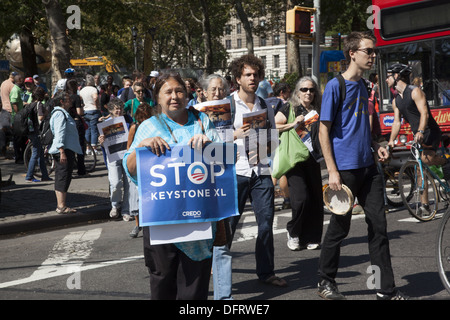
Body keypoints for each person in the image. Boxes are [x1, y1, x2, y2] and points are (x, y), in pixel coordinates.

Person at [317, 31, 407, 300]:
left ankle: (383, 288)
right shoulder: (336, 86)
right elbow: (324, 131)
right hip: (344, 170)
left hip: (368, 167)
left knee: (379, 227)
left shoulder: (367, 86)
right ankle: (325, 281)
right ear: (352, 53)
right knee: (339, 228)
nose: (373, 56)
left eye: (374, 51)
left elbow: (362, 126)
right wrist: (332, 171)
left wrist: (377, 143)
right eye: (369, 51)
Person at [123, 72, 220, 300]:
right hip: (161, 222)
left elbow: (222, 163)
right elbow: (130, 167)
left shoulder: (202, 122)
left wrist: (210, 147)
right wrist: (142, 147)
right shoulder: (148, 126)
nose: (175, 96)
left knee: (194, 290)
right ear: (157, 97)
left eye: (179, 91)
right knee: (163, 283)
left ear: (187, 96)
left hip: (198, 222)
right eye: (168, 92)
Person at [229, 54, 286, 287]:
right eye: (248, 75)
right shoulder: (228, 104)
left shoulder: (265, 105)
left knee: (266, 222)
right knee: (229, 224)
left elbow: (273, 137)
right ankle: (214, 265)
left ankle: (266, 272)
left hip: (261, 171)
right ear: (238, 78)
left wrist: (268, 149)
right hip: (236, 171)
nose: (253, 78)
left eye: (256, 74)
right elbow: (213, 139)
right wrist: (235, 135)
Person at [275, 76, 324, 251]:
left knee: (316, 199)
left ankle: (312, 237)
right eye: (304, 89)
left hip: (314, 158)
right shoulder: (289, 107)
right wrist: (292, 124)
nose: (308, 93)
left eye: (311, 90)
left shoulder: (318, 109)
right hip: (294, 159)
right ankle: (293, 232)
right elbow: (274, 126)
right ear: (297, 92)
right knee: (301, 198)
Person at [199, 74, 233, 300]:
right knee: (199, 243)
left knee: (221, 241)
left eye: (221, 90)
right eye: (213, 90)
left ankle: (225, 298)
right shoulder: (193, 116)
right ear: (203, 93)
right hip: (198, 184)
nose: (217, 94)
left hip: (223, 177)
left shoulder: (233, 110)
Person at [99, 98, 133, 221]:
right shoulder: (106, 124)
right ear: (111, 110)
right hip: (113, 157)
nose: (118, 111)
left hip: (127, 155)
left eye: (120, 108)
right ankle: (115, 205)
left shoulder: (129, 121)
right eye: (116, 108)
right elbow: (104, 145)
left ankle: (126, 209)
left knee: (129, 184)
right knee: (115, 183)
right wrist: (102, 143)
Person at [48, 91, 82, 214]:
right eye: (67, 99)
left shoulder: (63, 113)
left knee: (64, 176)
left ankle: (62, 205)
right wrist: (61, 151)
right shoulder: (60, 114)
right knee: (62, 176)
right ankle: (61, 206)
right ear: (61, 101)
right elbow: (59, 133)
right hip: (63, 150)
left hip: (66, 149)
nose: (70, 101)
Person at [126, 102, 155, 238]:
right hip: (138, 165)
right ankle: (138, 225)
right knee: (136, 197)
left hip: (151, 165)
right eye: (142, 117)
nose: (144, 120)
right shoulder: (134, 127)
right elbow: (129, 147)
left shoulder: (154, 126)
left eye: (146, 117)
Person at [266, 82, 291, 209]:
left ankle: (268, 200)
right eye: (288, 92)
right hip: (279, 140)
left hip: (265, 140)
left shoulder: (264, 101)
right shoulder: (284, 104)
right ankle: (287, 200)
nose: (289, 94)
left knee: (271, 170)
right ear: (282, 92)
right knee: (281, 172)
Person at [24, 86, 52, 183]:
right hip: (35, 131)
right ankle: (29, 176)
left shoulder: (30, 104)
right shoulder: (39, 104)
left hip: (30, 131)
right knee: (35, 153)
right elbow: (40, 118)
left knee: (40, 153)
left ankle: (45, 175)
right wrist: (46, 113)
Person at [65, 79, 87, 177]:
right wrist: (82, 107)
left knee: (70, 146)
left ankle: (70, 168)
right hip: (77, 122)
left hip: (67, 122)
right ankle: (81, 170)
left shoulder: (65, 97)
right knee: (80, 147)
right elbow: (79, 112)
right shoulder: (76, 97)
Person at [79, 74, 101, 154]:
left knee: (87, 130)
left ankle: (88, 148)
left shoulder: (82, 90)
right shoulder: (93, 89)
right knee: (94, 130)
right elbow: (95, 98)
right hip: (93, 110)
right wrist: (97, 105)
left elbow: (80, 100)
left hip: (85, 110)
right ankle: (94, 148)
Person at [10, 73, 25, 164]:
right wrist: (18, 114)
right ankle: (18, 157)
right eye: (22, 79)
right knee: (18, 139)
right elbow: (14, 103)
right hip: (17, 118)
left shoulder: (20, 89)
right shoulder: (15, 90)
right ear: (19, 80)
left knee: (22, 139)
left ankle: (22, 156)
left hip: (21, 117)